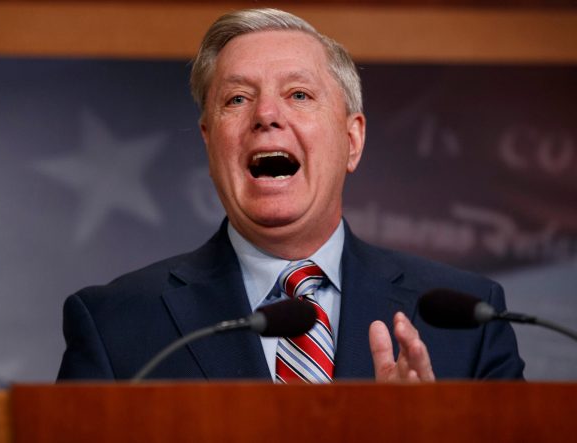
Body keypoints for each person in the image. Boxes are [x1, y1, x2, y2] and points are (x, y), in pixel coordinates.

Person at [57, 8, 524, 382]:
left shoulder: (471, 322)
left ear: (352, 140)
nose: (266, 114)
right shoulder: (114, 323)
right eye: (236, 99)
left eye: (298, 94)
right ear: (208, 140)